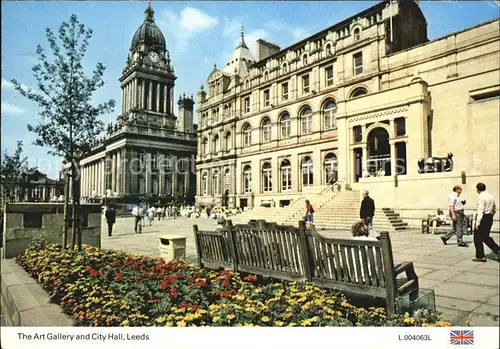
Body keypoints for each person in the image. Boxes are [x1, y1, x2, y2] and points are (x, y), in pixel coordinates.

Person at [472, 183, 499, 262]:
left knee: (477, 238)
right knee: (485, 237)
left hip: (483, 218)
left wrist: (477, 223)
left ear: (477, 189)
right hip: (489, 217)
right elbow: (495, 208)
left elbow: (480, 210)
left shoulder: (481, 197)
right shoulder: (491, 196)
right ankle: (498, 250)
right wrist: (490, 216)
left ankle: (480, 256)